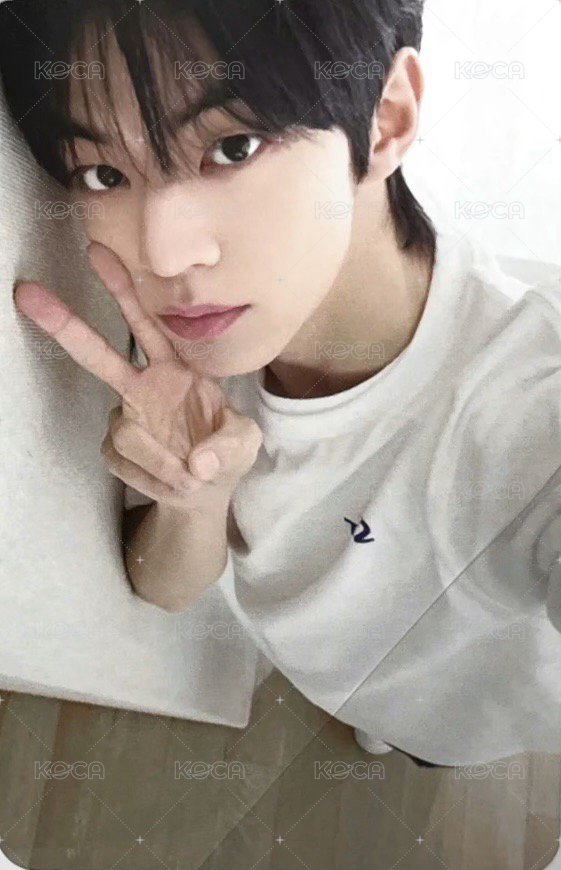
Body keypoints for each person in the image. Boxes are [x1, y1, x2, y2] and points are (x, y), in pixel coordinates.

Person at [1, 0, 560, 769]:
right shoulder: (183, 351)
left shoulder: (530, 404)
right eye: (104, 173)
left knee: (427, 745)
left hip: (468, 719)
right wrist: (192, 501)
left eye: (232, 147)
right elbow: (166, 591)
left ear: (386, 118)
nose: (163, 255)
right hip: (318, 673)